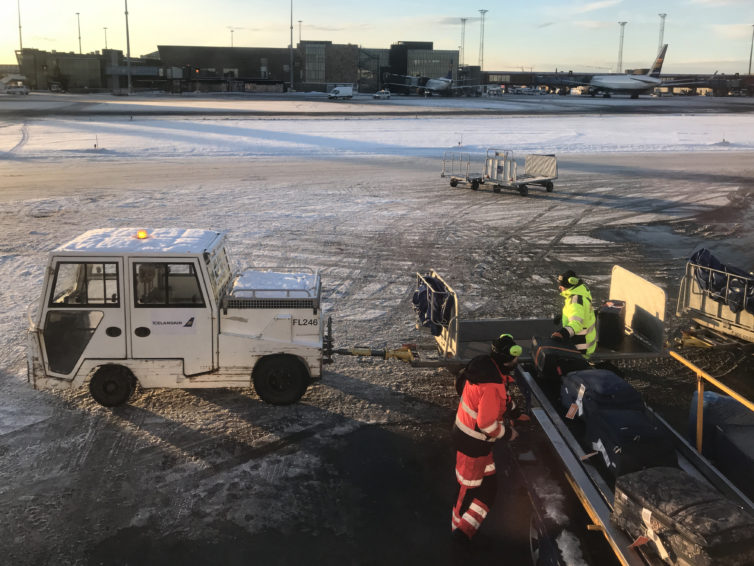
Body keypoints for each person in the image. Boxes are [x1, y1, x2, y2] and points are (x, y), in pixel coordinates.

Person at [451, 333, 526, 543]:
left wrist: (514, 412)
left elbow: (503, 397)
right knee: (468, 493)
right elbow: (486, 424)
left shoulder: (485, 369)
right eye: (514, 358)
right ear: (506, 360)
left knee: (489, 489)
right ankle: (459, 535)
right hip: (473, 447)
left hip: (478, 446)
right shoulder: (492, 386)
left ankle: (466, 530)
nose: (516, 361)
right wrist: (509, 433)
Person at [551, 270, 597, 358]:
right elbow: (581, 313)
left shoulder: (575, 301)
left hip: (580, 348)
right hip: (587, 343)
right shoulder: (581, 293)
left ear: (569, 284)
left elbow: (576, 324)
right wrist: (564, 316)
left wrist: (561, 334)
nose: (560, 287)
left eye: (562, 285)